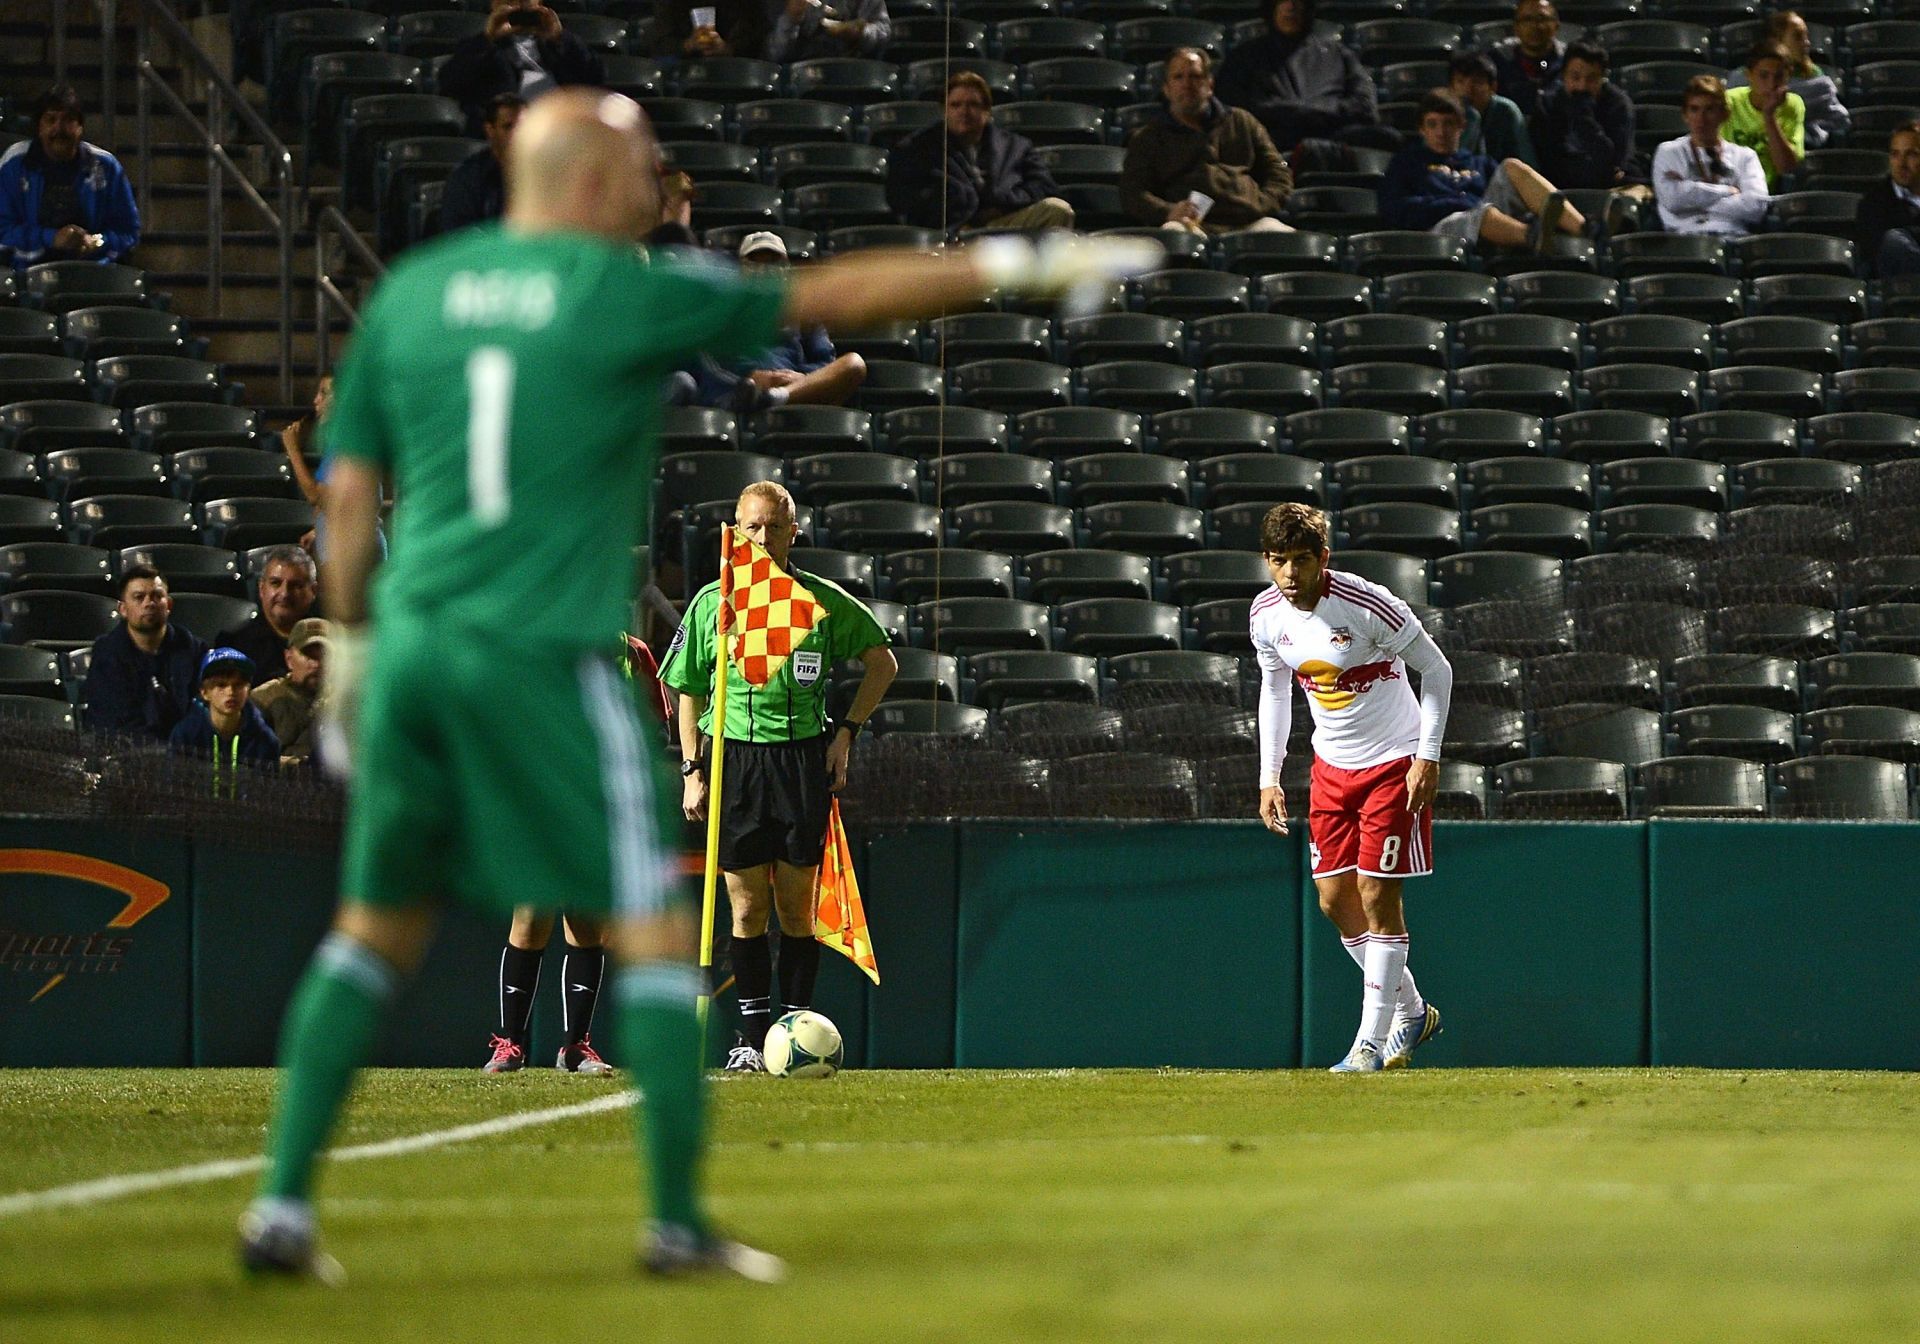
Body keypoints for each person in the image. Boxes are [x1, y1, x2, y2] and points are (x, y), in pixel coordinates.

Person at [235, 86, 1160, 1283]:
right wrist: (1001, 264)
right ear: (580, 177)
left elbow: (349, 510)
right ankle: (674, 1222)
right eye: (645, 166)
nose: (664, 187)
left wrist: (351, 645)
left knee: (371, 934)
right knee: (663, 935)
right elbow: (827, 297)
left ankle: (281, 1212)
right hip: (538, 658)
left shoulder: (410, 297)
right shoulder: (620, 290)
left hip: (410, 655)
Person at [660, 481, 897, 1074]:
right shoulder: (714, 603)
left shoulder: (818, 603)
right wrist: (692, 768)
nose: (763, 538)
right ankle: (747, 1037)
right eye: (752, 527)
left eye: (774, 526)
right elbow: (685, 687)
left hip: (800, 761)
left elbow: (882, 663)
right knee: (745, 911)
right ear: (736, 532)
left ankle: (793, 1029)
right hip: (733, 760)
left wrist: (846, 734)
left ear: (796, 530)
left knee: (795, 910)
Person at [1251, 503, 1452, 1073]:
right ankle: (1412, 1010)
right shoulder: (1266, 616)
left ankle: (1369, 1043)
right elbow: (1275, 691)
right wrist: (1270, 776)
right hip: (1330, 769)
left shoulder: (1368, 604)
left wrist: (1427, 758)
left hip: (1393, 762)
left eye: (1300, 560)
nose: (1289, 574)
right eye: (1278, 561)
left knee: (1375, 896)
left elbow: (1437, 671)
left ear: (1323, 558)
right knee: (1335, 901)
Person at [484, 636, 670, 1077]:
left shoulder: (633, 651)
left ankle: (576, 1047)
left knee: (588, 921)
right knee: (531, 915)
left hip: (599, 803)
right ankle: (510, 1042)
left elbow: (656, 726)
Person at [1379, 90, 1587, 252]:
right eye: (1432, 124)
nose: (1440, 132)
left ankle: (1585, 229)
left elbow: (1506, 198)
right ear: (1422, 129)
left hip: (1487, 216)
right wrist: (1455, 204)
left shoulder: (1480, 162)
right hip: (1439, 230)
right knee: (1479, 214)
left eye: (1448, 124)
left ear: (1462, 125)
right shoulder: (1406, 162)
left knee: (1512, 166)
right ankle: (1535, 237)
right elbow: (1395, 208)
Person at [1118, 47, 1294, 236]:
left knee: (1286, 239)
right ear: (1166, 89)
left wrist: (1260, 203)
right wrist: (1168, 210)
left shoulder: (1242, 121)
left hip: (1250, 222)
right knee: (1175, 237)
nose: (1187, 84)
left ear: (1209, 85)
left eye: (1195, 76)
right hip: (1189, 224)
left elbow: (1279, 173)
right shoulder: (1148, 137)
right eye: (1178, 77)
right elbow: (1133, 193)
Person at [690, 232, 868, 412]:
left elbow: (825, 362)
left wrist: (801, 378)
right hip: (738, 395)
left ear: (785, 270)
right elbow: (708, 365)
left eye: (772, 262)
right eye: (755, 263)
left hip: (796, 393)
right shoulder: (723, 312)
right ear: (742, 270)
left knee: (854, 364)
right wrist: (748, 379)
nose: (764, 270)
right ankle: (764, 398)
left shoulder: (803, 314)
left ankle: (773, 398)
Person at [886, 72, 1074, 233]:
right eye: (955, 105)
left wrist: (1004, 202)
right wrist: (963, 207)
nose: (964, 112)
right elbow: (903, 198)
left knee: (1058, 210)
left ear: (987, 111)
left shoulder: (1016, 146)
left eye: (973, 105)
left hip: (1005, 225)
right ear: (944, 111)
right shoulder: (917, 147)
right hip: (952, 231)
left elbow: (1045, 186)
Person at [1215, 0, 1385, 154]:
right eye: (1282, 1)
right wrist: (1299, 113)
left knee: (1383, 138)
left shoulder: (1339, 54)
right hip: (1269, 139)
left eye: (1297, 1)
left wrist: (1318, 112)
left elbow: (1365, 106)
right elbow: (1231, 106)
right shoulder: (1245, 56)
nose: (1290, 7)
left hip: (1333, 134)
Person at [0, 85, 140, 270]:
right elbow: (3, 230)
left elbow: (128, 231)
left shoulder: (106, 166)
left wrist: (97, 242)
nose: (59, 128)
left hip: (93, 274)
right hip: (27, 276)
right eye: (51, 120)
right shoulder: (15, 163)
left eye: (68, 120)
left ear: (80, 127)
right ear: (39, 127)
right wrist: (52, 238)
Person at [80, 564, 206, 742]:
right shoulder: (107, 654)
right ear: (122, 609)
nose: (149, 603)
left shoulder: (193, 649)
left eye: (157, 596)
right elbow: (111, 724)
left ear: (168, 605)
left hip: (187, 755)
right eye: (139, 597)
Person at [437, 0, 604, 134]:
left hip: (560, 128)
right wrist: (488, 39)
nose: (517, 5)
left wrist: (560, 38)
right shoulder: (478, 45)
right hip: (510, 133)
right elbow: (449, 83)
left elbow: (595, 78)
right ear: (493, 4)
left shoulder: (559, 41)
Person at [1652, 76, 1769, 238]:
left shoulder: (1745, 156)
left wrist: (1692, 198)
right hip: (1684, 239)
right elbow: (1672, 200)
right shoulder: (1668, 152)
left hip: (1731, 237)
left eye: (1709, 110)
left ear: (1725, 114)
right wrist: (1727, 191)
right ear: (1685, 115)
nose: (1701, 118)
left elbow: (1756, 206)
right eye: (1694, 109)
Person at [1727, 10, 1847, 151]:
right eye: (1798, 37)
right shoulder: (1741, 78)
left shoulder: (1817, 78)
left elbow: (1837, 119)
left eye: (1806, 36)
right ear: (1777, 41)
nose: (1806, 43)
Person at [168, 648, 282, 792]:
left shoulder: (266, 741)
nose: (231, 692)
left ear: (248, 689)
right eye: (221, 685)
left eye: (239, 684)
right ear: (204, 692)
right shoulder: (185, 735)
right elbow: (176, 790)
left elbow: (268, 795)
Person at [1531, 42, 1639, 190]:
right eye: (1575, 77)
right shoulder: (1548, 103)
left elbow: (1614, 160)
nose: (1582, 86)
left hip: (1607, 185)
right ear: (1563, 76)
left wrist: (1583, 117)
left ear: (1603, 78)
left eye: (1592, 79)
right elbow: (1546, 158)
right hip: (1557, 185)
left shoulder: (1618, 104)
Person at [217, 544, 319, 687]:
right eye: (276, 583)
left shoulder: (335, 640)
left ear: (313, 591)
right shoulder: (234, 644)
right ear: (261, 589)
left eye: (295, 585)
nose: (284, 594)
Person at [440, 94, 525, 233]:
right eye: (508, 127)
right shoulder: (466, 178)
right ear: (490, 130)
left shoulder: (545, 175)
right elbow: (459, 239)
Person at [1724, 41, 1804, 190]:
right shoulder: (1728, 101)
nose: (1771, 84)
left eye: (1779, 76)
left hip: (1767, 192)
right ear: (1749, 75)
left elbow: (1785, 167)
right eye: (1763, 76)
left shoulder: (1793, 105)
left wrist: (1769, 116)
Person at [252, 617, 328, 768]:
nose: (316, 664)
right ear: (289, 658)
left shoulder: (346, 702)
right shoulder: (263, 699)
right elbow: (249, 760)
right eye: (309, 655)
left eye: (324, 655)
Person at [1858, 122, 1920, 280]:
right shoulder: (1872, 203)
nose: (1901, 164)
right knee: (1894, 241)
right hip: (1898, 291)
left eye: (1911, 154)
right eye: (1895, 154)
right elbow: (1877, 255)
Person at [1448, 51, 1533, 167]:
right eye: (1460, 82)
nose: (1468, 89)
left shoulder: (1506, 110)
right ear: (1451, 87)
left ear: (1493, 87)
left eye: (1477, 82)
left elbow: (1527, 161)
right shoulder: (1444, 111)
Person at [1488, 0, 1565, 122]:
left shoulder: (1571, 61)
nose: (1535, 26)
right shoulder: (1495, 62)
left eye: (1542, 19)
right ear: (1516, 27)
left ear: (1556, 25)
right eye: (1527, 19)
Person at [767, 0, 890, 62]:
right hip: (801, 78)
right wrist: (791, 19)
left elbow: (883, 33)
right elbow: (774, 54)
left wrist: (860, 33)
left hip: (855, 71)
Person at [654, 0, 773, 61]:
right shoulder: (670, 3)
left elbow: (762, 37)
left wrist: (729, 49)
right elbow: (658, 44)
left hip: (736, 69)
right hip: (684, 69)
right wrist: (689, 45)